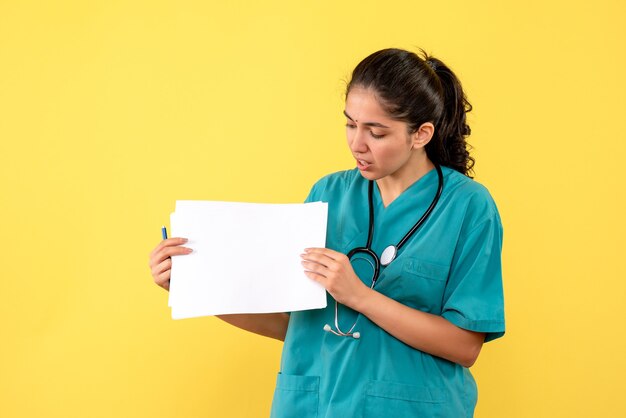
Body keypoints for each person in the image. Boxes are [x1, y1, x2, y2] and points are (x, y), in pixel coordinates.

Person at [149, 48, 505, 417]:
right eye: (351, 124)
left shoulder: (468, 208)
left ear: (421, 134)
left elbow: (465, 346)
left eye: (376, 132)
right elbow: (293, 326)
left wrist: (359, 296)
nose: (357, 144)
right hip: (313, 405)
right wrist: (194, 287)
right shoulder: (327, 195)